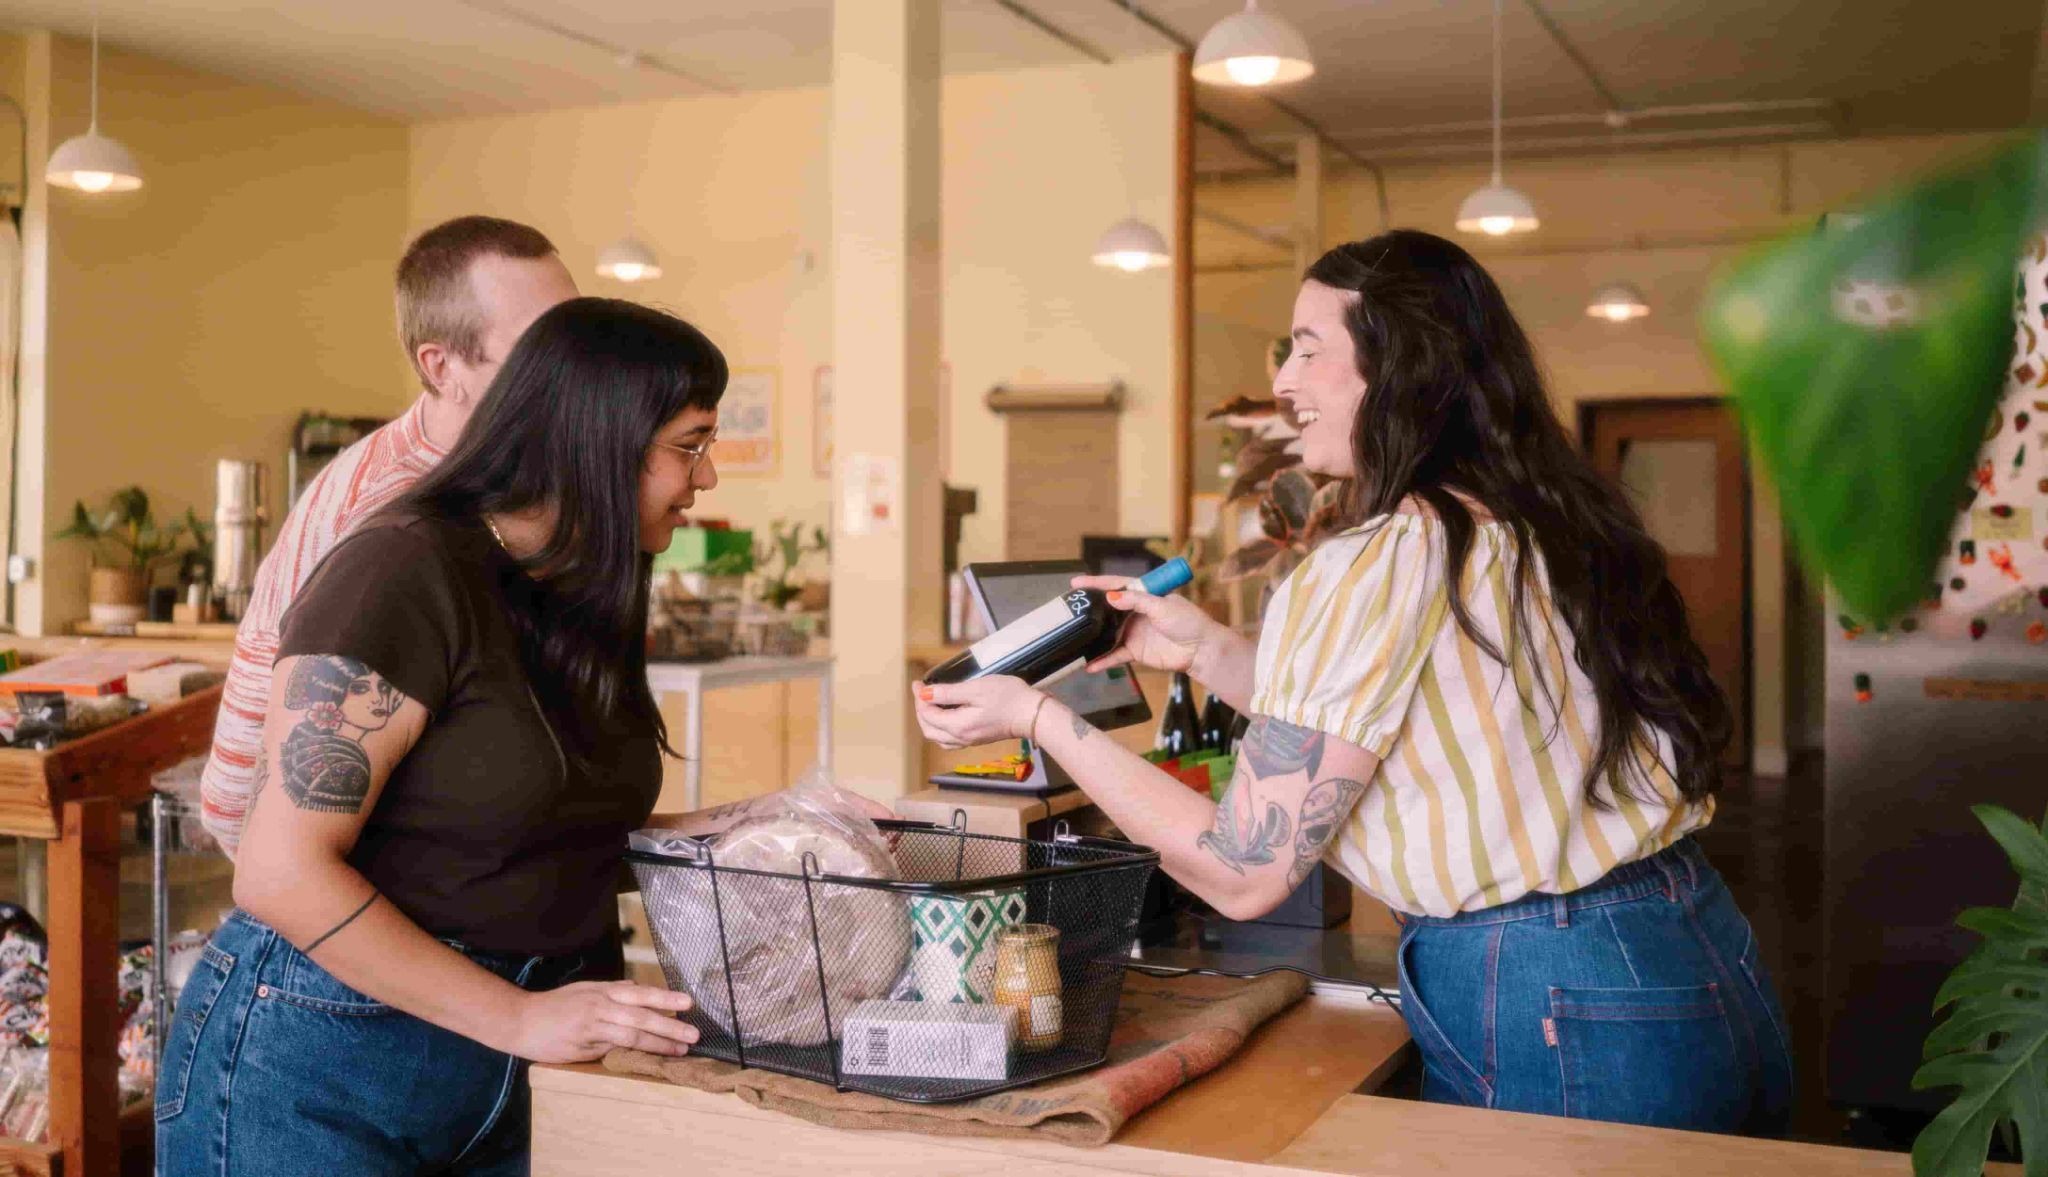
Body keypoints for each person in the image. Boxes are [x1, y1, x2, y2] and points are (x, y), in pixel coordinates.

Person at [914, 230, 1795, 1135]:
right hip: (1686, 947)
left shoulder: (1380, 557)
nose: (1285, 382)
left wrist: (1038, 715)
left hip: (1551, 989)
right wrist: (1207, 650)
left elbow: (1246, 872)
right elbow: (1412, 712)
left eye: (1308, 347)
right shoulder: (1540, 522)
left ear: (1402, 364)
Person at [156, 299, 788, 1173]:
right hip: (324, 1060)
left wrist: (759, 828)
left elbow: (535, 827)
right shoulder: (401, 571)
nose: (707, 477)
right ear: (594, 439)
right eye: (689, 445)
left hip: (513, 1061)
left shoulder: (578, 588)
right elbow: (278, 870)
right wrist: (519, 1018)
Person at [200, 215, 579, 857]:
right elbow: (257, 813)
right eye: (537, 349)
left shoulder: (510, 477)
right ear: (441, 366)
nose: (571, 368)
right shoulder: (388, 514)